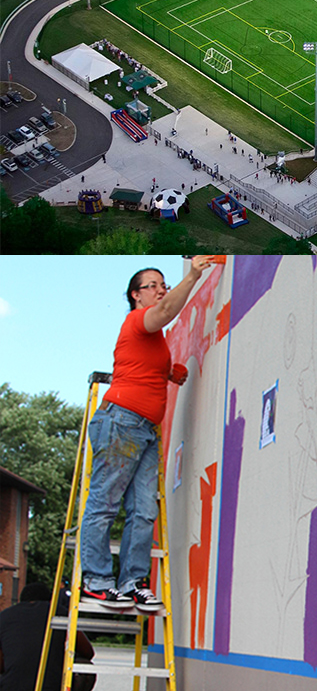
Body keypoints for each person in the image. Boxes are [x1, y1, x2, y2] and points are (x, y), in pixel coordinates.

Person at [80, 257, 215, 611]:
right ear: (136, 296)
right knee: (105, 505)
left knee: (143, 512)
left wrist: (173, 372)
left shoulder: (154, 339)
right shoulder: (137, 321)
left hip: (144, 429)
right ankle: (95, 581)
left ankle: (132, 582)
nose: (160, 290)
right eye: (152, 285)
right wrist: (194, 275)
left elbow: (148, 365)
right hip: (122, 421)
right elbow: (167, 310)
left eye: (163, 284)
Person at [0, 582, 95, 691]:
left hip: (11, 686)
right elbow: (87, 652)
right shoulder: (59, 613)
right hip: (52, 686)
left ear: (20, 601)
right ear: (50, 600)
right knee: (85, 665)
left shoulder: (4, 616)